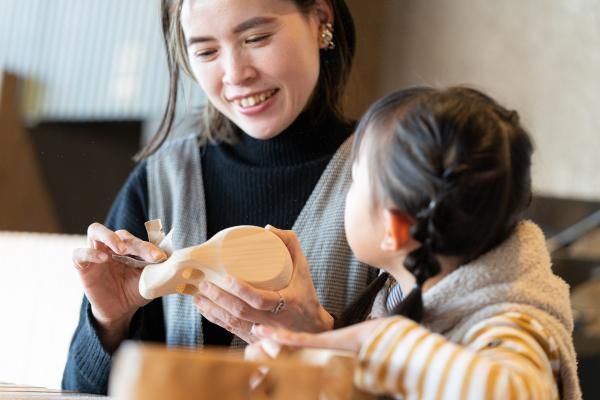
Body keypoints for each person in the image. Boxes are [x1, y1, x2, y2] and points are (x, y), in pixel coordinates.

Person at [62, 0, 378, 394]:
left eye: (257, 37)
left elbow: (437, 376)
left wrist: (317, 336)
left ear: (321, 20)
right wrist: (109, 322)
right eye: (207, 51)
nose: (236, 74)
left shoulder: (385, 178)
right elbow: (78, 391)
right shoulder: (162, 179)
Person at [250, 87, 582, 399]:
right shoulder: (398, 291)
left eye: (355, 179)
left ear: (395, 229)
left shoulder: (511, 326)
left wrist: (381, 344)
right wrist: (316, 357)